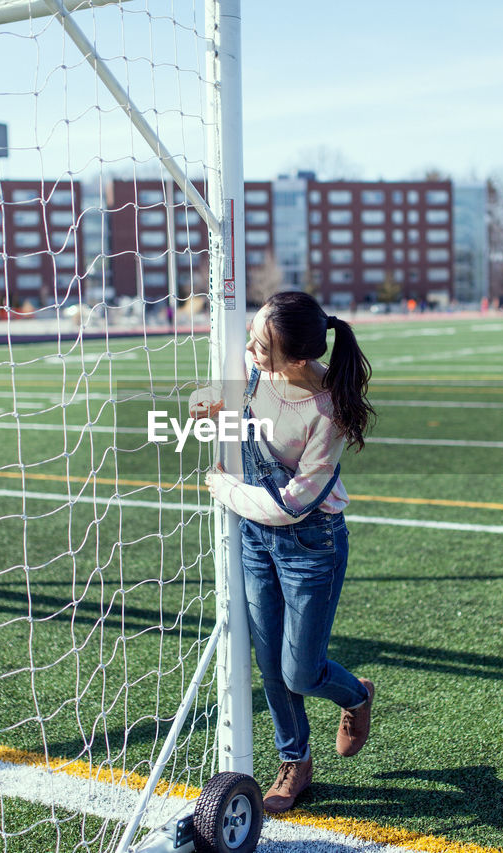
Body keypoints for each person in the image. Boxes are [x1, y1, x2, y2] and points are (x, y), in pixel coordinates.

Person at [190, 290, 377, 815]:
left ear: (298, 359)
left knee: (301, 671)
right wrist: (208, 402)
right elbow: (235, 412)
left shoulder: (329, 410)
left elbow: (294, 504)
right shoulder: (256, 371)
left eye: (261, 346)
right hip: (255, 539)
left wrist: (225, 490)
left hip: (309, 545)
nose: (250, 351)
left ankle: (356, 695)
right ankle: (295, 762)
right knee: (269, 663)